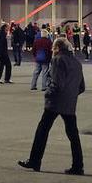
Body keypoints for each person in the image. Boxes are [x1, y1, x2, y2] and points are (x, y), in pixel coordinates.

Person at [17, 37, 85, 175]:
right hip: (70, 103)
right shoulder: (77, 62)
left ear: (57, 48)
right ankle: (78, 165)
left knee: (42, 130)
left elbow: (57, 83)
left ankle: (35, 160)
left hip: (55, 101)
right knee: (73, 135)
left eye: (53, 48)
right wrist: (71, 95)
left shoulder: (58, 60)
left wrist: (48, 93)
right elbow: (82, 87)